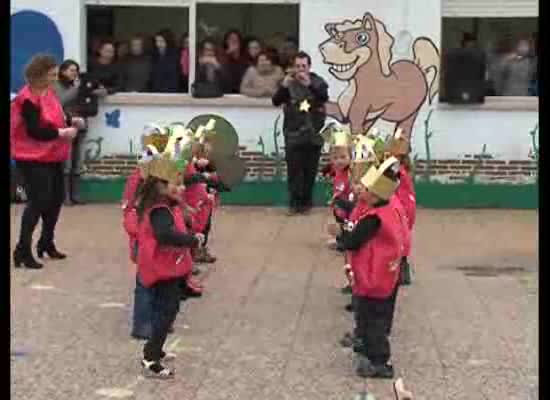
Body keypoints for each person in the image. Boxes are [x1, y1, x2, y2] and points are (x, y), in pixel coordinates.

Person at [11, 54, 83, 269]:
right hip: (30, 156)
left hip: (50, 154)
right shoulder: (26, 98)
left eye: (55, 74)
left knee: (56, 198)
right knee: (38, 201)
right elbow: (35, 130)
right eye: (51, 74)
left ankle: (46, 242)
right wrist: (62, 132)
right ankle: (22, 249)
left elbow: (53, 117)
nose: (54, 78)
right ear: (39, 75)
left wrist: (70, 120)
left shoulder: (48, 93)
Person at [337, 157, 407, 379]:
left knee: (372, 319)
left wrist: (339, 234)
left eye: (365, 188)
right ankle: (369, 350)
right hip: (384, 275)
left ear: (375, 194)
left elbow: (353, 241)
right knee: (374, 316)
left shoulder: (374, 218)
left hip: (373, 277)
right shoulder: (386, 209)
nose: (361, 190)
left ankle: (380, 362)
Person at [136, 156, 204, 379]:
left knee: (169, 308)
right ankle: (150, 357)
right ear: (161, 186)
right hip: (161, 268)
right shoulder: (159, 210)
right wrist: (191, 241)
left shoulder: (165, 206)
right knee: (166, 311)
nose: (182, 188)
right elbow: (164, 234)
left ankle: (156, 347)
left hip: (167, 267)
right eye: (176, 184)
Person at [272, 51, 329, 215]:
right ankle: (294, 204)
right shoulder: (288, 83)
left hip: (314, 132)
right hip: (293, 133)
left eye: (303, 66)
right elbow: (276, 101)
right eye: (297, 66)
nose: (300, 70)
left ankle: (307, 203)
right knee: (294, 170)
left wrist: (309, 84)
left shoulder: (318, 81)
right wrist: (283, 86)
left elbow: (323, 97)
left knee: (310, 170)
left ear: (309, 67)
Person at [54, 60, 87, 206]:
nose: (74, 74)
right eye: (71, 70)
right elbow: (60, 101)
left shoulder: (80, 86)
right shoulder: (56, 86)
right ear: (63, 71)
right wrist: (76, 89)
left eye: (76, 71)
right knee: (66, 164)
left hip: (80, 126)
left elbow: (88, 102)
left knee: (78, 162)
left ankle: (76, 195)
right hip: (65, 128)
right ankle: (65, 196)